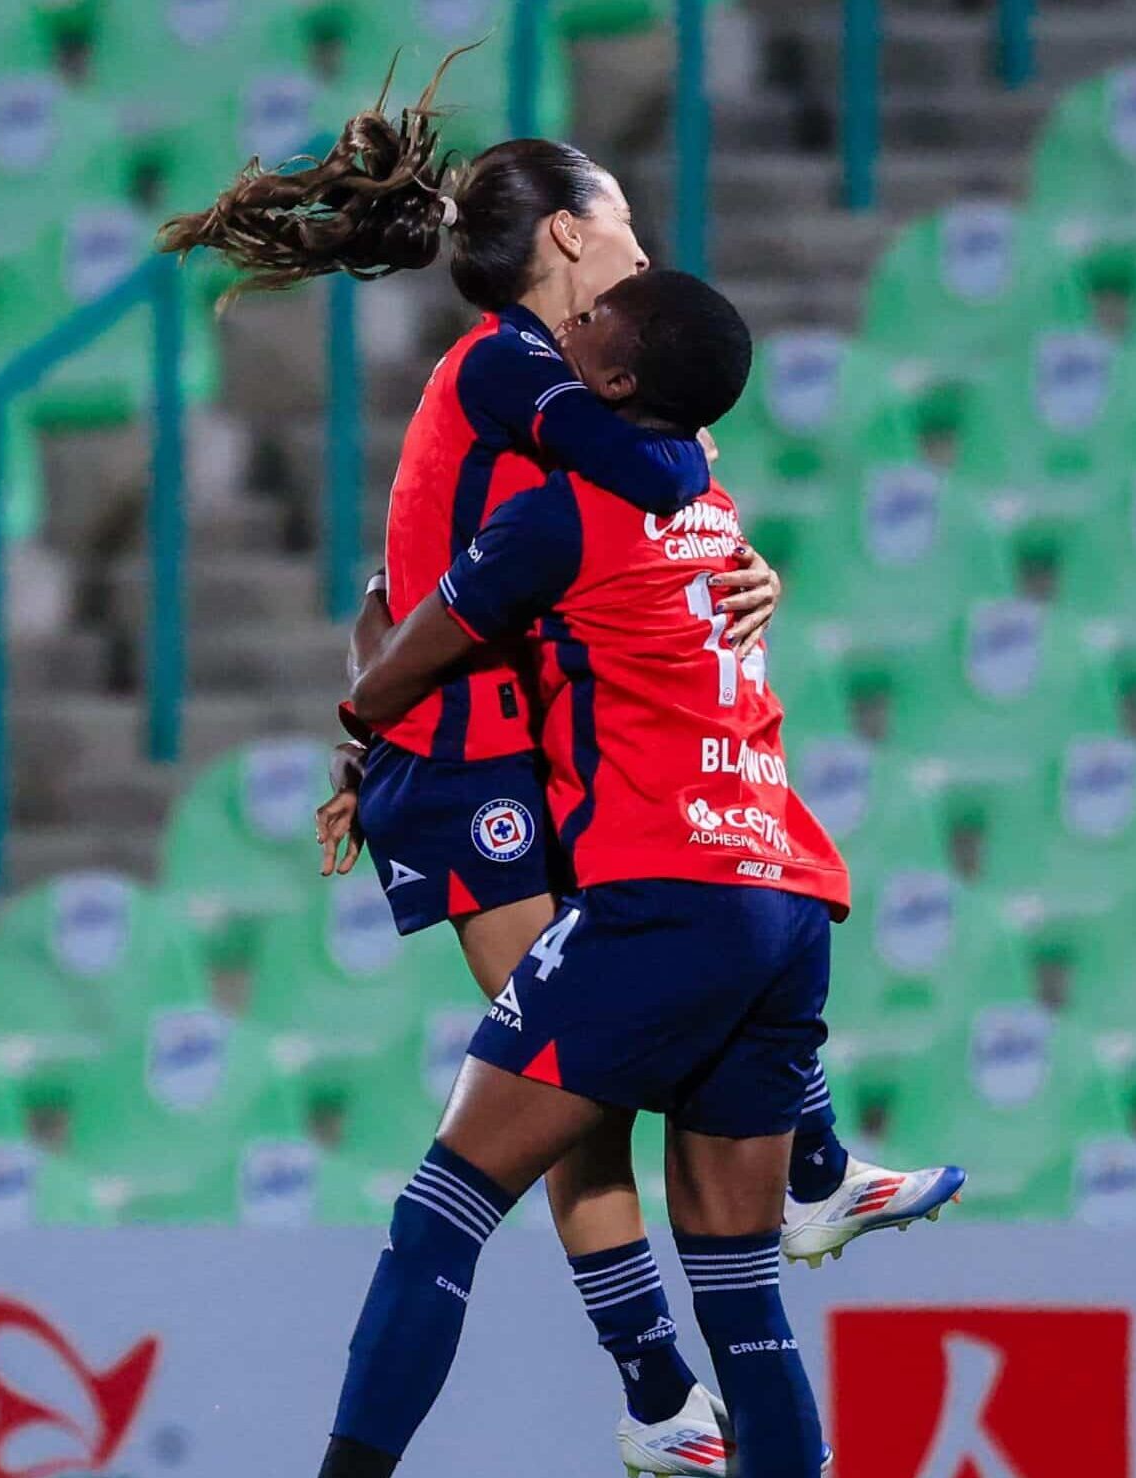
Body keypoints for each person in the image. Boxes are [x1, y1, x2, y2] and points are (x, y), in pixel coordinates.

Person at [162, 64, 956, 1475]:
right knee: (568, 1098)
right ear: (574, 244)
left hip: (517, 759)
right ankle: (689, 1348)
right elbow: (633, 490)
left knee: (558, 1094)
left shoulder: (554, 423)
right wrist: (693, 470)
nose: (640, 268)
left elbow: (486, 565)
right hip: (473, 776)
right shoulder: (513, 367)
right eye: (631, 243)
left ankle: (697, 1343)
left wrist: (731, 543)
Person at [320, 268, 947, 1478]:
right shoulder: (712, 503)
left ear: (609, 382)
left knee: (438, 1214)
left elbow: (403, 663)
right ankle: (765, 1262)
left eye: (594, 319)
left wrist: (357, 712)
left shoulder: (558, 516)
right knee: (741, 1296)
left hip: (663, 899)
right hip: (785, 892)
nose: (570, 318)